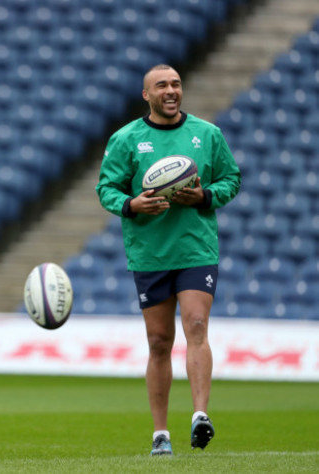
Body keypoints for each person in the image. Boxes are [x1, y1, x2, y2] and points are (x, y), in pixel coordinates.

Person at [95, 64, 240, 456]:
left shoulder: (207, 135)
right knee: (159, 342)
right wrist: (131, 203)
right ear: (147, 95)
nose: (171, 90)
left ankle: (199, 415)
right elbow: (105, 188)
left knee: (196, 324)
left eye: (176, 83)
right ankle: (161, 433)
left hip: (195, 247)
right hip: (150, 251)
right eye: (162, 85)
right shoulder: (126, 139)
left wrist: (206, 196)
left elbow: (231, 179)